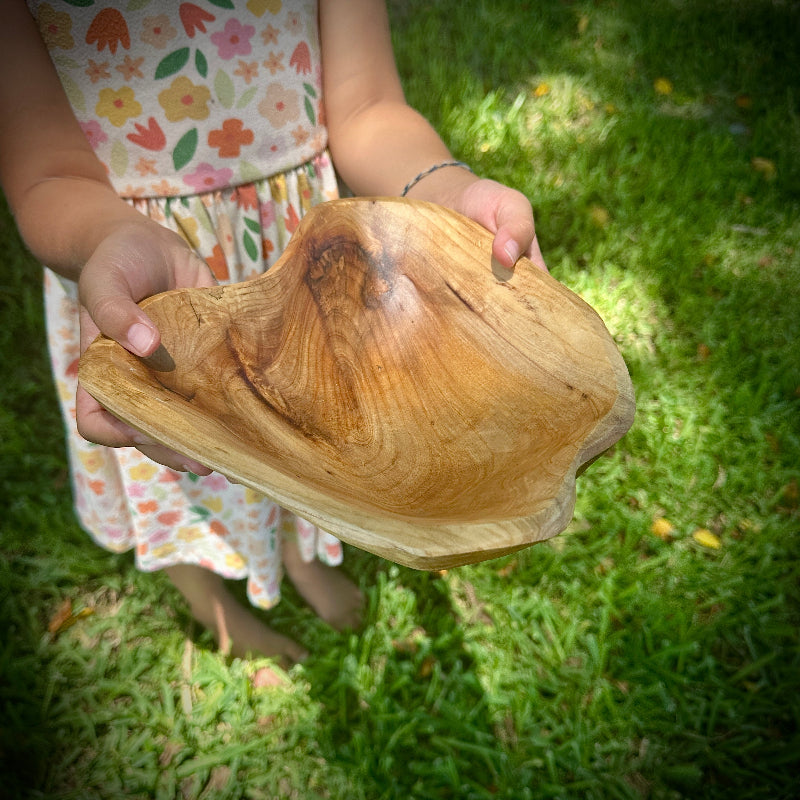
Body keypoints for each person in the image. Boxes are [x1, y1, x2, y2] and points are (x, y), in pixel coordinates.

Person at [0, 0, 546, 665]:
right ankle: (210, 600)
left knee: (309, 435)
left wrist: (445, 189)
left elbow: (368, 105)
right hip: (146, 272)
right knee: (179, 464)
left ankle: (302, 554)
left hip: (301, 267)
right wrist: (105, 237)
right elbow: (48, 175)